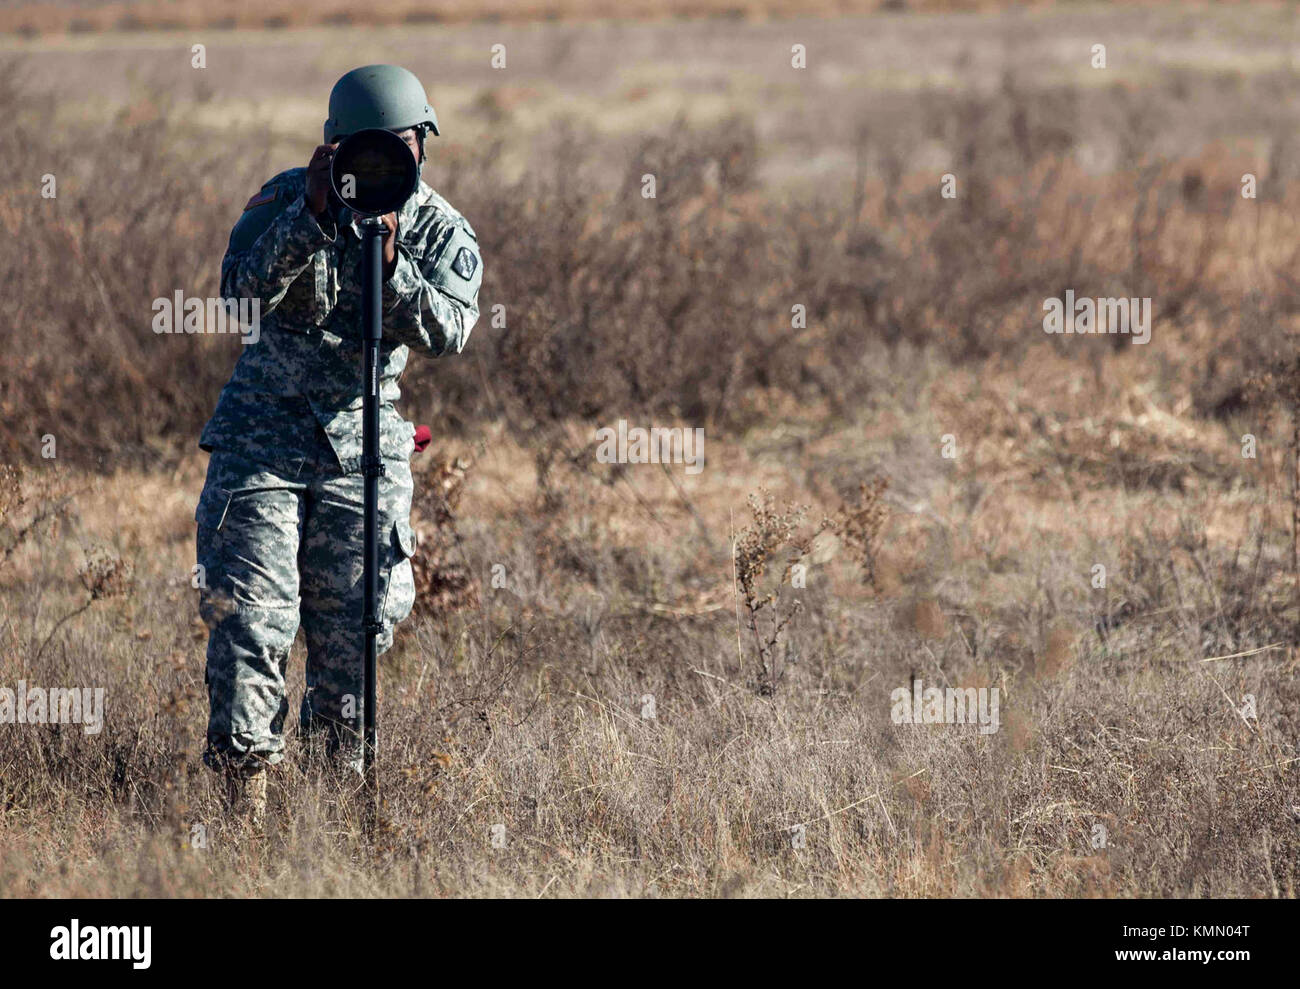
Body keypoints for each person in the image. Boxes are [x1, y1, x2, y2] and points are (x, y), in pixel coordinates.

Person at [194, 64, 482, 825]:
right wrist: (313, 218)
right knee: (253, 618)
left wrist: (392, 265)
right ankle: (242, 812)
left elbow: (451, 327)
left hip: (364, 448)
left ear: (424, 145)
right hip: (262, 438)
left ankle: (336, 814)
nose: (384, 166)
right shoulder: (287, 198)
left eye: (398, 149)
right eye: (365, 152)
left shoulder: (435, 227)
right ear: (330, 150)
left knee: (358, 630)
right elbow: (237, 294)